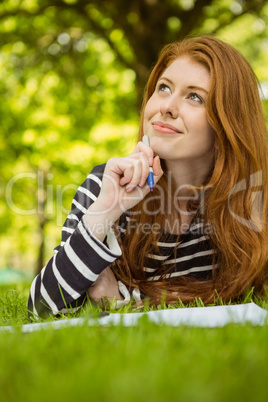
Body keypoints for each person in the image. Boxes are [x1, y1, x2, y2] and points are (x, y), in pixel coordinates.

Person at [28, 35, 268, 319]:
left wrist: (119, 298)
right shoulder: (105, 184)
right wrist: (106, 211)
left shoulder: (251, 200)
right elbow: (41, 307)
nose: (166, 107)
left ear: (228, 123)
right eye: (163, 88)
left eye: (194, 97)